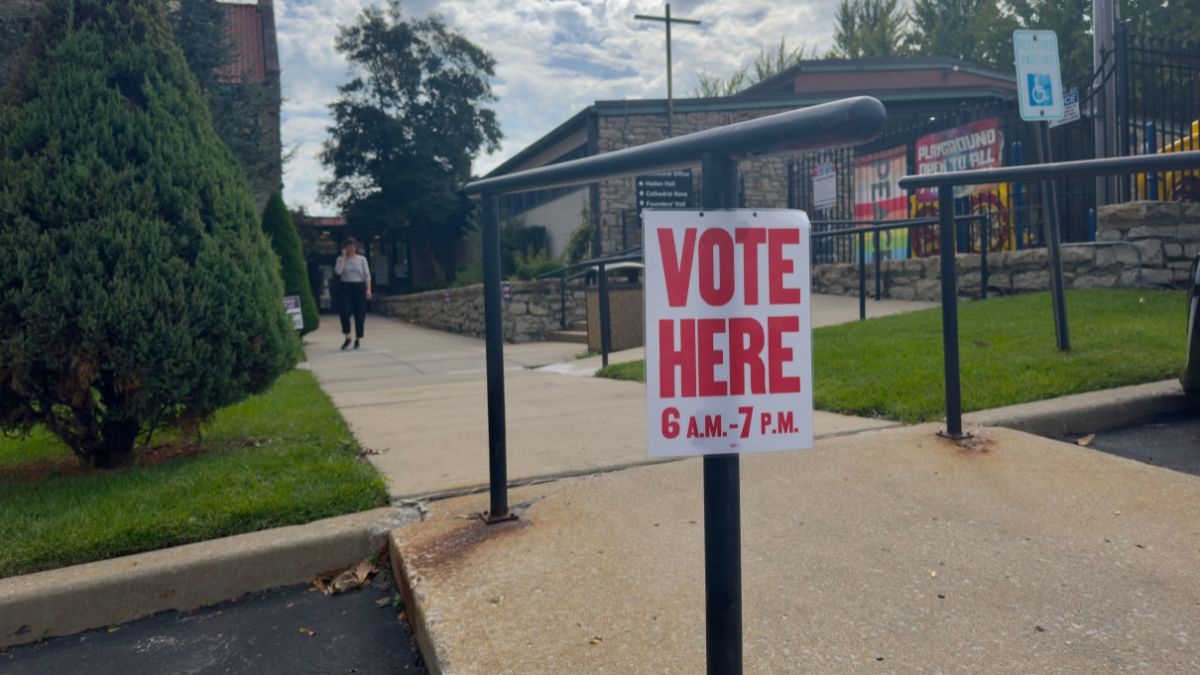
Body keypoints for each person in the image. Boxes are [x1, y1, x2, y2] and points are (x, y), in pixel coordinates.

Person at [335, 237, 371, 350]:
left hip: (359, 287)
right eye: (348, 246)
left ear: (356, 247)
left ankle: (358, 339)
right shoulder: (340, 259)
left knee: (360, 315)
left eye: (353, 246)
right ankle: (348, 337)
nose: (351, 248)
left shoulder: (362, 259)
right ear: (345, 248)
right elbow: (338, 272)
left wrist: (368, 289)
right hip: (346, 287)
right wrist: (344, 257)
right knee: (345, 313)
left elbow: (367, 275)